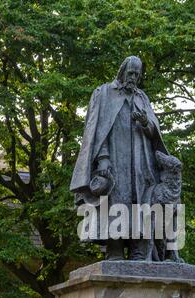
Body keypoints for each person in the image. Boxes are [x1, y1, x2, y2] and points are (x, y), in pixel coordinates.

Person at [70, 56, 178, 261]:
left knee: (142, 202)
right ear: (122, 72)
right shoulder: (103, 94)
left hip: (141, 161)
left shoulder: (142, 98)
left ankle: (140, 250)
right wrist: (103, 159)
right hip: (114, 160)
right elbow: (96, 132)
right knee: (115, 202)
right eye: (131, 73)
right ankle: (115, 250)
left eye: (137, 75)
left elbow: (155, 130)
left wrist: (146, 123)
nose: (134, 78)